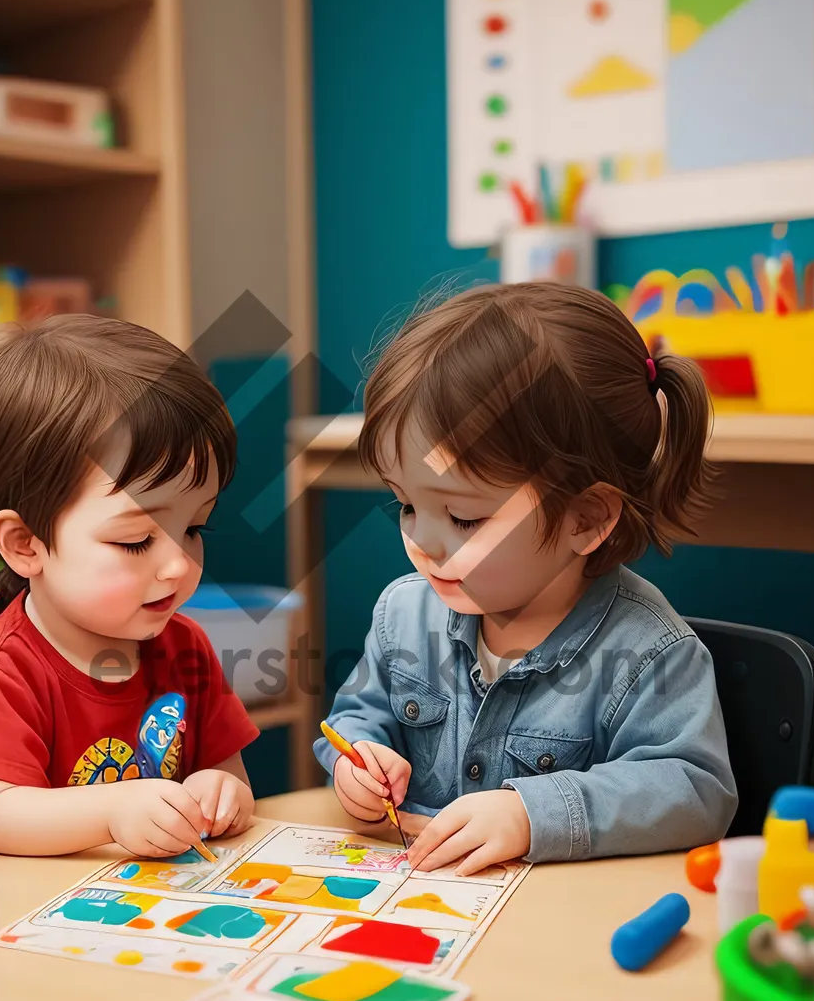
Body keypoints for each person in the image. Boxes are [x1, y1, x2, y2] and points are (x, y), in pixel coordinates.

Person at [315, 283, 737, 875]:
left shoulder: (650, 654)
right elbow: (358, 715)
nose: (421, 541)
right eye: (406, 505)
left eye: (463, 517)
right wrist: (358, 759)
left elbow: (696, 791)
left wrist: (531, 814)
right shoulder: (404, 614)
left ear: (585, 520)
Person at [0, 315, 259, 857]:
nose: (177, 565)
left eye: (193, 528)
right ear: (25, 544)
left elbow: (229, 774)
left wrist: (220, 793)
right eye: (135, 541)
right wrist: (114, 810)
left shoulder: (184, 645)